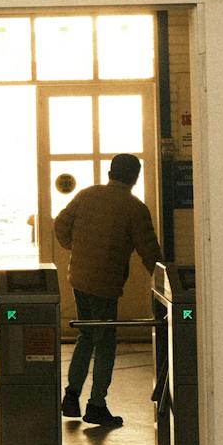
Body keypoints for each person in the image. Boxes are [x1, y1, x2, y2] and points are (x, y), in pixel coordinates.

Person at [53, 153, 161, 429]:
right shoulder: (134, 207)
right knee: (105, 343)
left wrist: (74, 247)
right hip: (105, 284)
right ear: (135, 177)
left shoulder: (87, 195)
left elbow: (60, 224)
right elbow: (149, 250)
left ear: (110, 172)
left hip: (79, 279)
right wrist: (163, 279)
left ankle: (71, 396)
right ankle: (96, 404)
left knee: (86, 335)